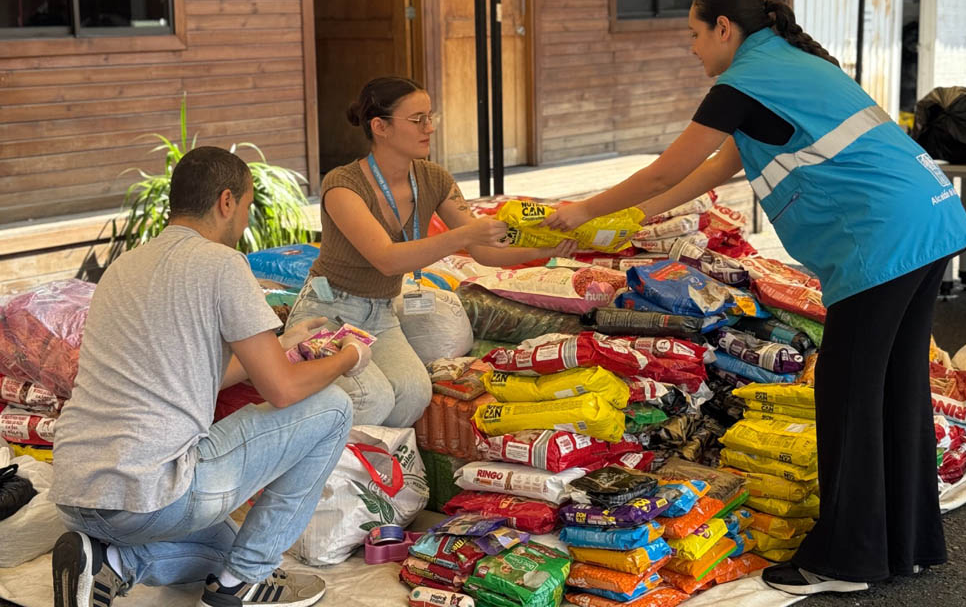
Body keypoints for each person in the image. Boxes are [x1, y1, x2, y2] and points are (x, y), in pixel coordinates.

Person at [543, 0, 966, 595]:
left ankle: (848, 560)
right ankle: (909, 544)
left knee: (849, 393)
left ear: (725, 29)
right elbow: (719, 168)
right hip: (929, 218)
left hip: (882, 237)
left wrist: (580, 211)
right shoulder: (789, 64)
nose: (692, 48)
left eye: (694, 34)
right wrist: (631, 219)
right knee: (895, 388)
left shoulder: (744, 80)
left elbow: (671, 164)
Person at [50, 146, 372, 607]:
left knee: (225, 547)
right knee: (335, 407)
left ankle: (110, 564)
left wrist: (280, 346)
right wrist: (347, 358)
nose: (243, 222)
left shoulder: (122, 269)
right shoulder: (222, 263)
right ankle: (244, 582)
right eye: (245, 208)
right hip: (152, 494)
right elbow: (281, 389)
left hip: (78, 491)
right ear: (226, 201)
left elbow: (186, 375)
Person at [285, 76, 576, 427]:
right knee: (372, 399)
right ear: (380, 127)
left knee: (413, 393)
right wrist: (465, 234)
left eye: (430, 117)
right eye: (417, 119)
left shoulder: (433, 178)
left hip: (380, 312)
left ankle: (378, 475)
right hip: (329, 310)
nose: (430, 128)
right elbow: (388, 258)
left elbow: (483, 251)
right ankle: (333, 478)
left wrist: (548, 247)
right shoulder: (342, 184)